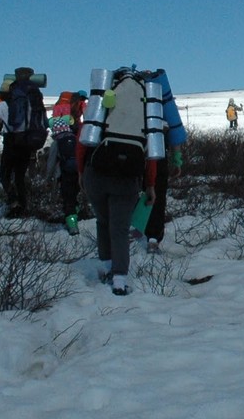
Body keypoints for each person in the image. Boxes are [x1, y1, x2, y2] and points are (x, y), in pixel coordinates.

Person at [78, 66, 161, 295]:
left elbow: (84, 140)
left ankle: (106, 267)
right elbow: (151, 154)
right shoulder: (147, 105)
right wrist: (151, 184)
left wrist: (81, 172)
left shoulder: (105, 98)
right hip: (128, 178)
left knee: (103, 222)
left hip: (97, 173)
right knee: (120, 228)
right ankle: (120, 281)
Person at [141, 69, 189, 253]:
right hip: (158, 151)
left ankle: (128, 232)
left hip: (133, 153)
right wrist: (177, 160)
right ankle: (153, 238)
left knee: (131, 194)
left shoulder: (130, 97)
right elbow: (175, 132)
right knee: (157, 196)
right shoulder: (162, 99)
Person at [0, 66, 47, 218]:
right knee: (20, 176)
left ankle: (13, 203)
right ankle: (23, 207)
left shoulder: (8, 98)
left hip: (13, 139)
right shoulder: (35, 94)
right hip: (29, 138)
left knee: (4, 174)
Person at [49, 89, 86, 232]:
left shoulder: (60, 138)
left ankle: (72, 222)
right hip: (79, 170)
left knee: (68, 197)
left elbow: (52, 160)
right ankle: (75, 213)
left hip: (65, 170)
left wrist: (48, 177)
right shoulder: (82, 134)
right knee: (75, 194)